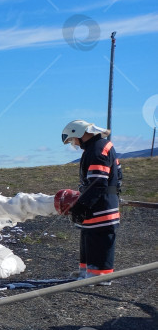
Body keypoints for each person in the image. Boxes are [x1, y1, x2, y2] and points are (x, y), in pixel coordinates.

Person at [61, 119, 122, 279]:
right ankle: (86, 273)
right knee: (89, 238)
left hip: (101, 207)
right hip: (99, 205)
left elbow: (97, 183)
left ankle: (99, 277)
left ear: (80, 134)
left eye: (73, 139)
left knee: (99, 241)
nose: (74, 143)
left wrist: (82, 206)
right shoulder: (97, 147)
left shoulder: (97, 150)